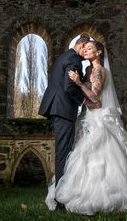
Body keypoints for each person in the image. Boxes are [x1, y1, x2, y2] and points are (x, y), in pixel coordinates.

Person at [45, 39, 127, 215]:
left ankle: (112, 195)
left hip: (98, 118)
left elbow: (94, 96)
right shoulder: (88, 69)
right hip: (88, 115)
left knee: (102, 155)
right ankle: (78, 194)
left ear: (99, 52)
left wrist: (78, 83)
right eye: (85, 48)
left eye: (90, 48)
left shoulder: (99, 70)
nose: (86, 51)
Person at [38, 33, 89, 207]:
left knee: (63, 152)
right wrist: (83, 100)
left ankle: (62, 194)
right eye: (87, 49)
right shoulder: (74, 59)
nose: (87, 54)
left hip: (57, 109)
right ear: (81, 46)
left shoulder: (66, 56)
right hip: (63, 110)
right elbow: (69, 87)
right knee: (63, 154)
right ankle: (60, 199)